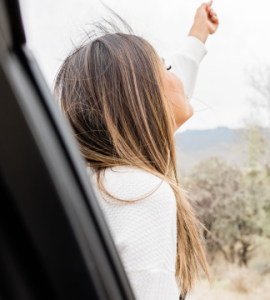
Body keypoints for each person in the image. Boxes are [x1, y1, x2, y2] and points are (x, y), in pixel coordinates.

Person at [54, 2, 219, 299]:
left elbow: (172, 91)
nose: (177, 76)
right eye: (165, 67)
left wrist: (199, 32)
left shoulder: (104, 179)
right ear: (144, 102)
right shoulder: (140, 192)